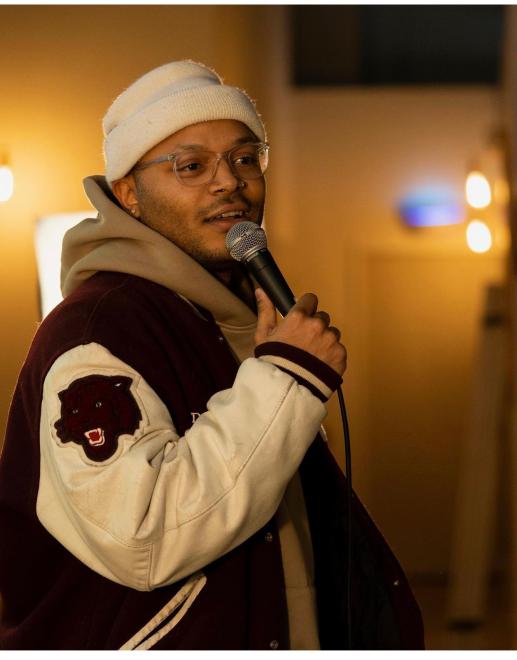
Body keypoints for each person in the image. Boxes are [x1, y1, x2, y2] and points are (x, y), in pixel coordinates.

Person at [0, 60, 424, 650]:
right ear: (129, 195)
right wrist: (287, 378)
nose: (230, 182)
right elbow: (143, 537)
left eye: (245, 159)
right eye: (192, 165)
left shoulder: (227, 320)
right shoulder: (96, 331)